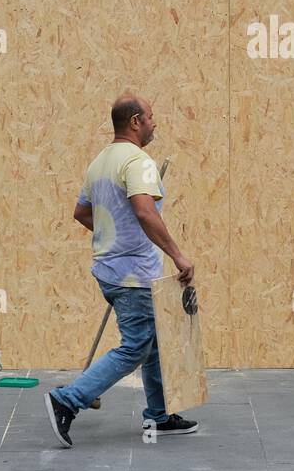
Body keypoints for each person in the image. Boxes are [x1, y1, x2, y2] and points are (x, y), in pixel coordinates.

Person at [45, 94, 197, 447]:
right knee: (135, 348)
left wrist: (110, 235)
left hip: (110, 269)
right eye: (152, 117)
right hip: (133, 275)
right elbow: (145, 212)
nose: (155, 123)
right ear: (135, 121)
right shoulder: (139, 161)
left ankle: (158, 416)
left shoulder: (100, 162)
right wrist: (178, 255)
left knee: (151, 343)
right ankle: (65, 401)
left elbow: (82, 213)